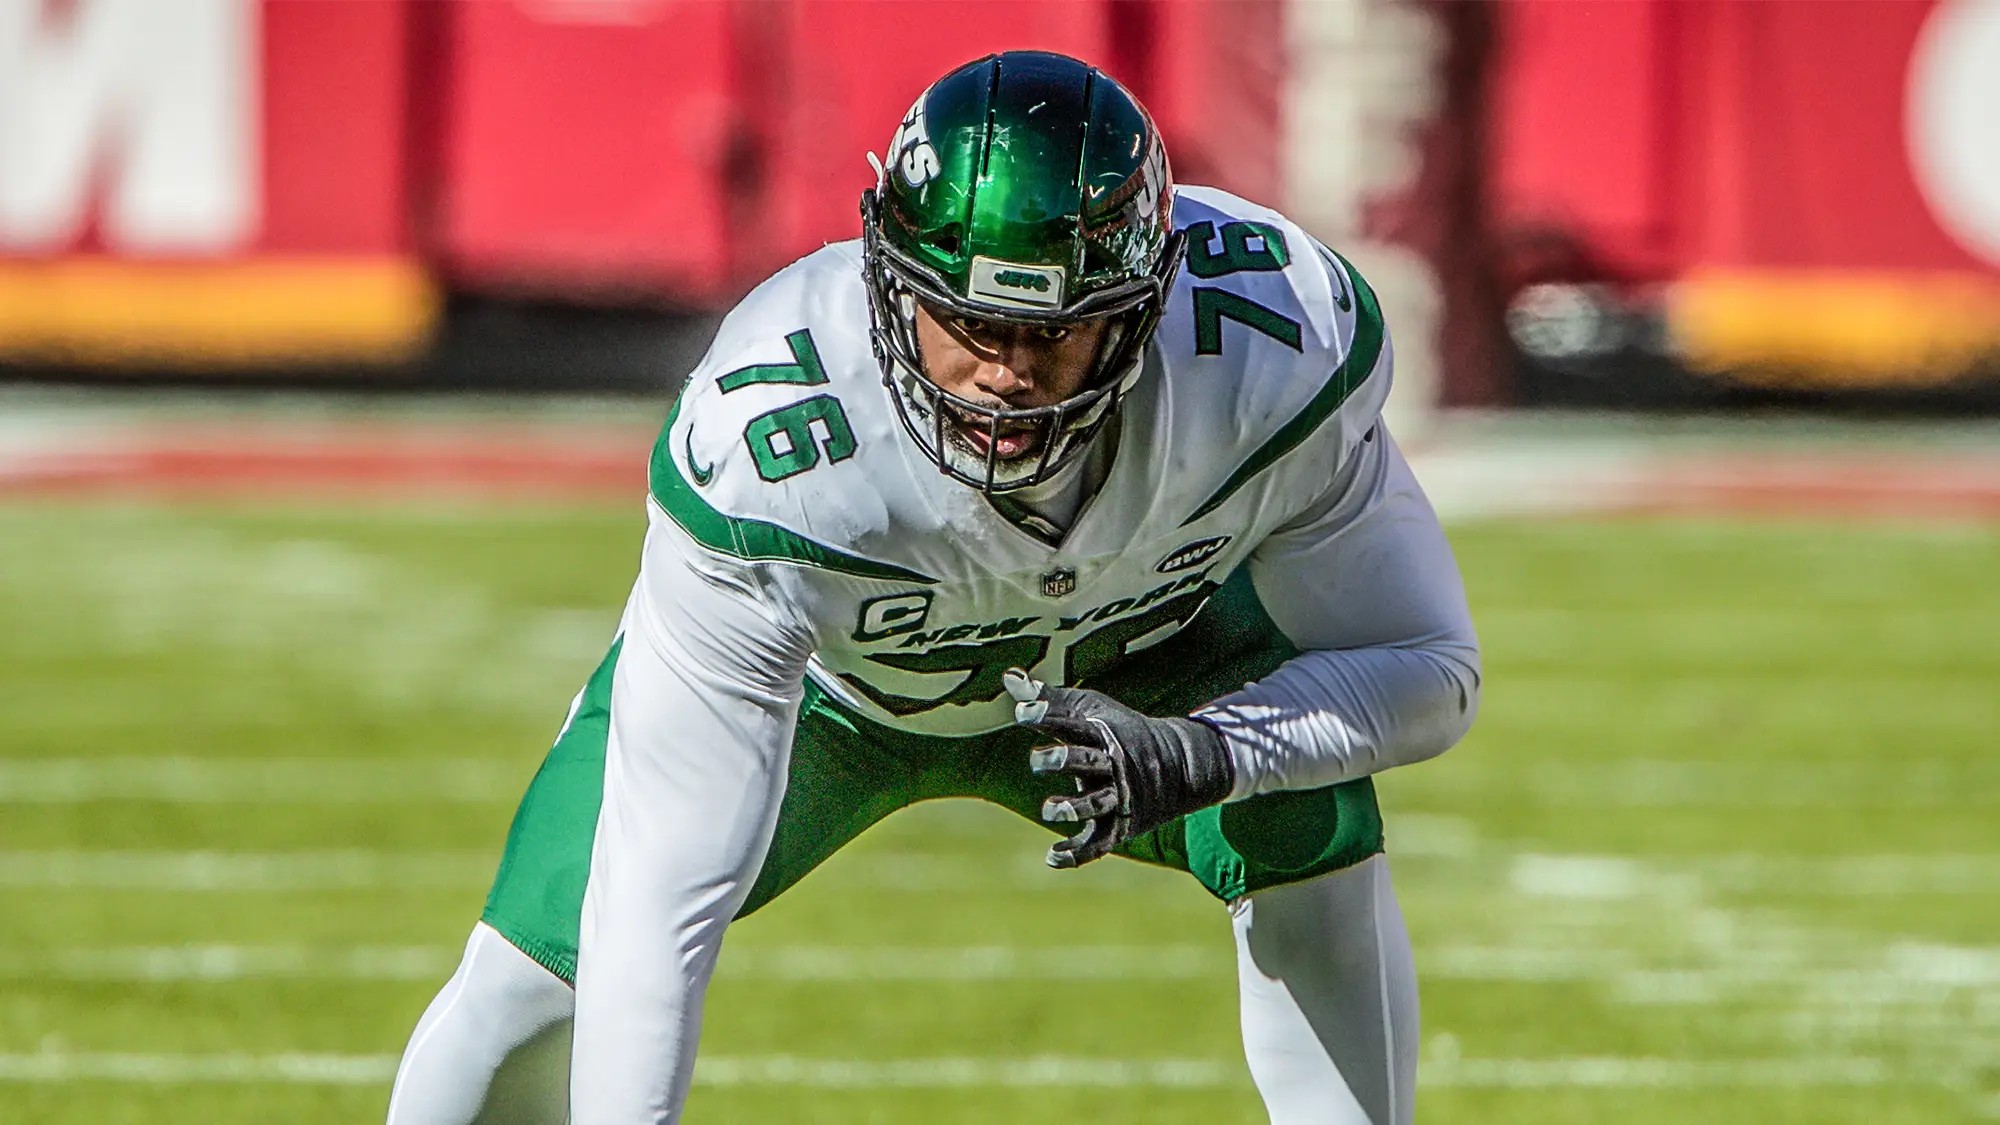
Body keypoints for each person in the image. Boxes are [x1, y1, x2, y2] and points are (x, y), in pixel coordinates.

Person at [385, 49, 1479, 1125]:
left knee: (1309, 839)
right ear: (886, 286)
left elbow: (1431, 669)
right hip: (835, 695)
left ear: (1144, 306)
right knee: (532, 980)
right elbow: (657, 907)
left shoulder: (1266, 346)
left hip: (1141, 670)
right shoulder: (774, 445)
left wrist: (1219, 749)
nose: (1005, 374)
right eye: (969, 325)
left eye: (1054, 334)